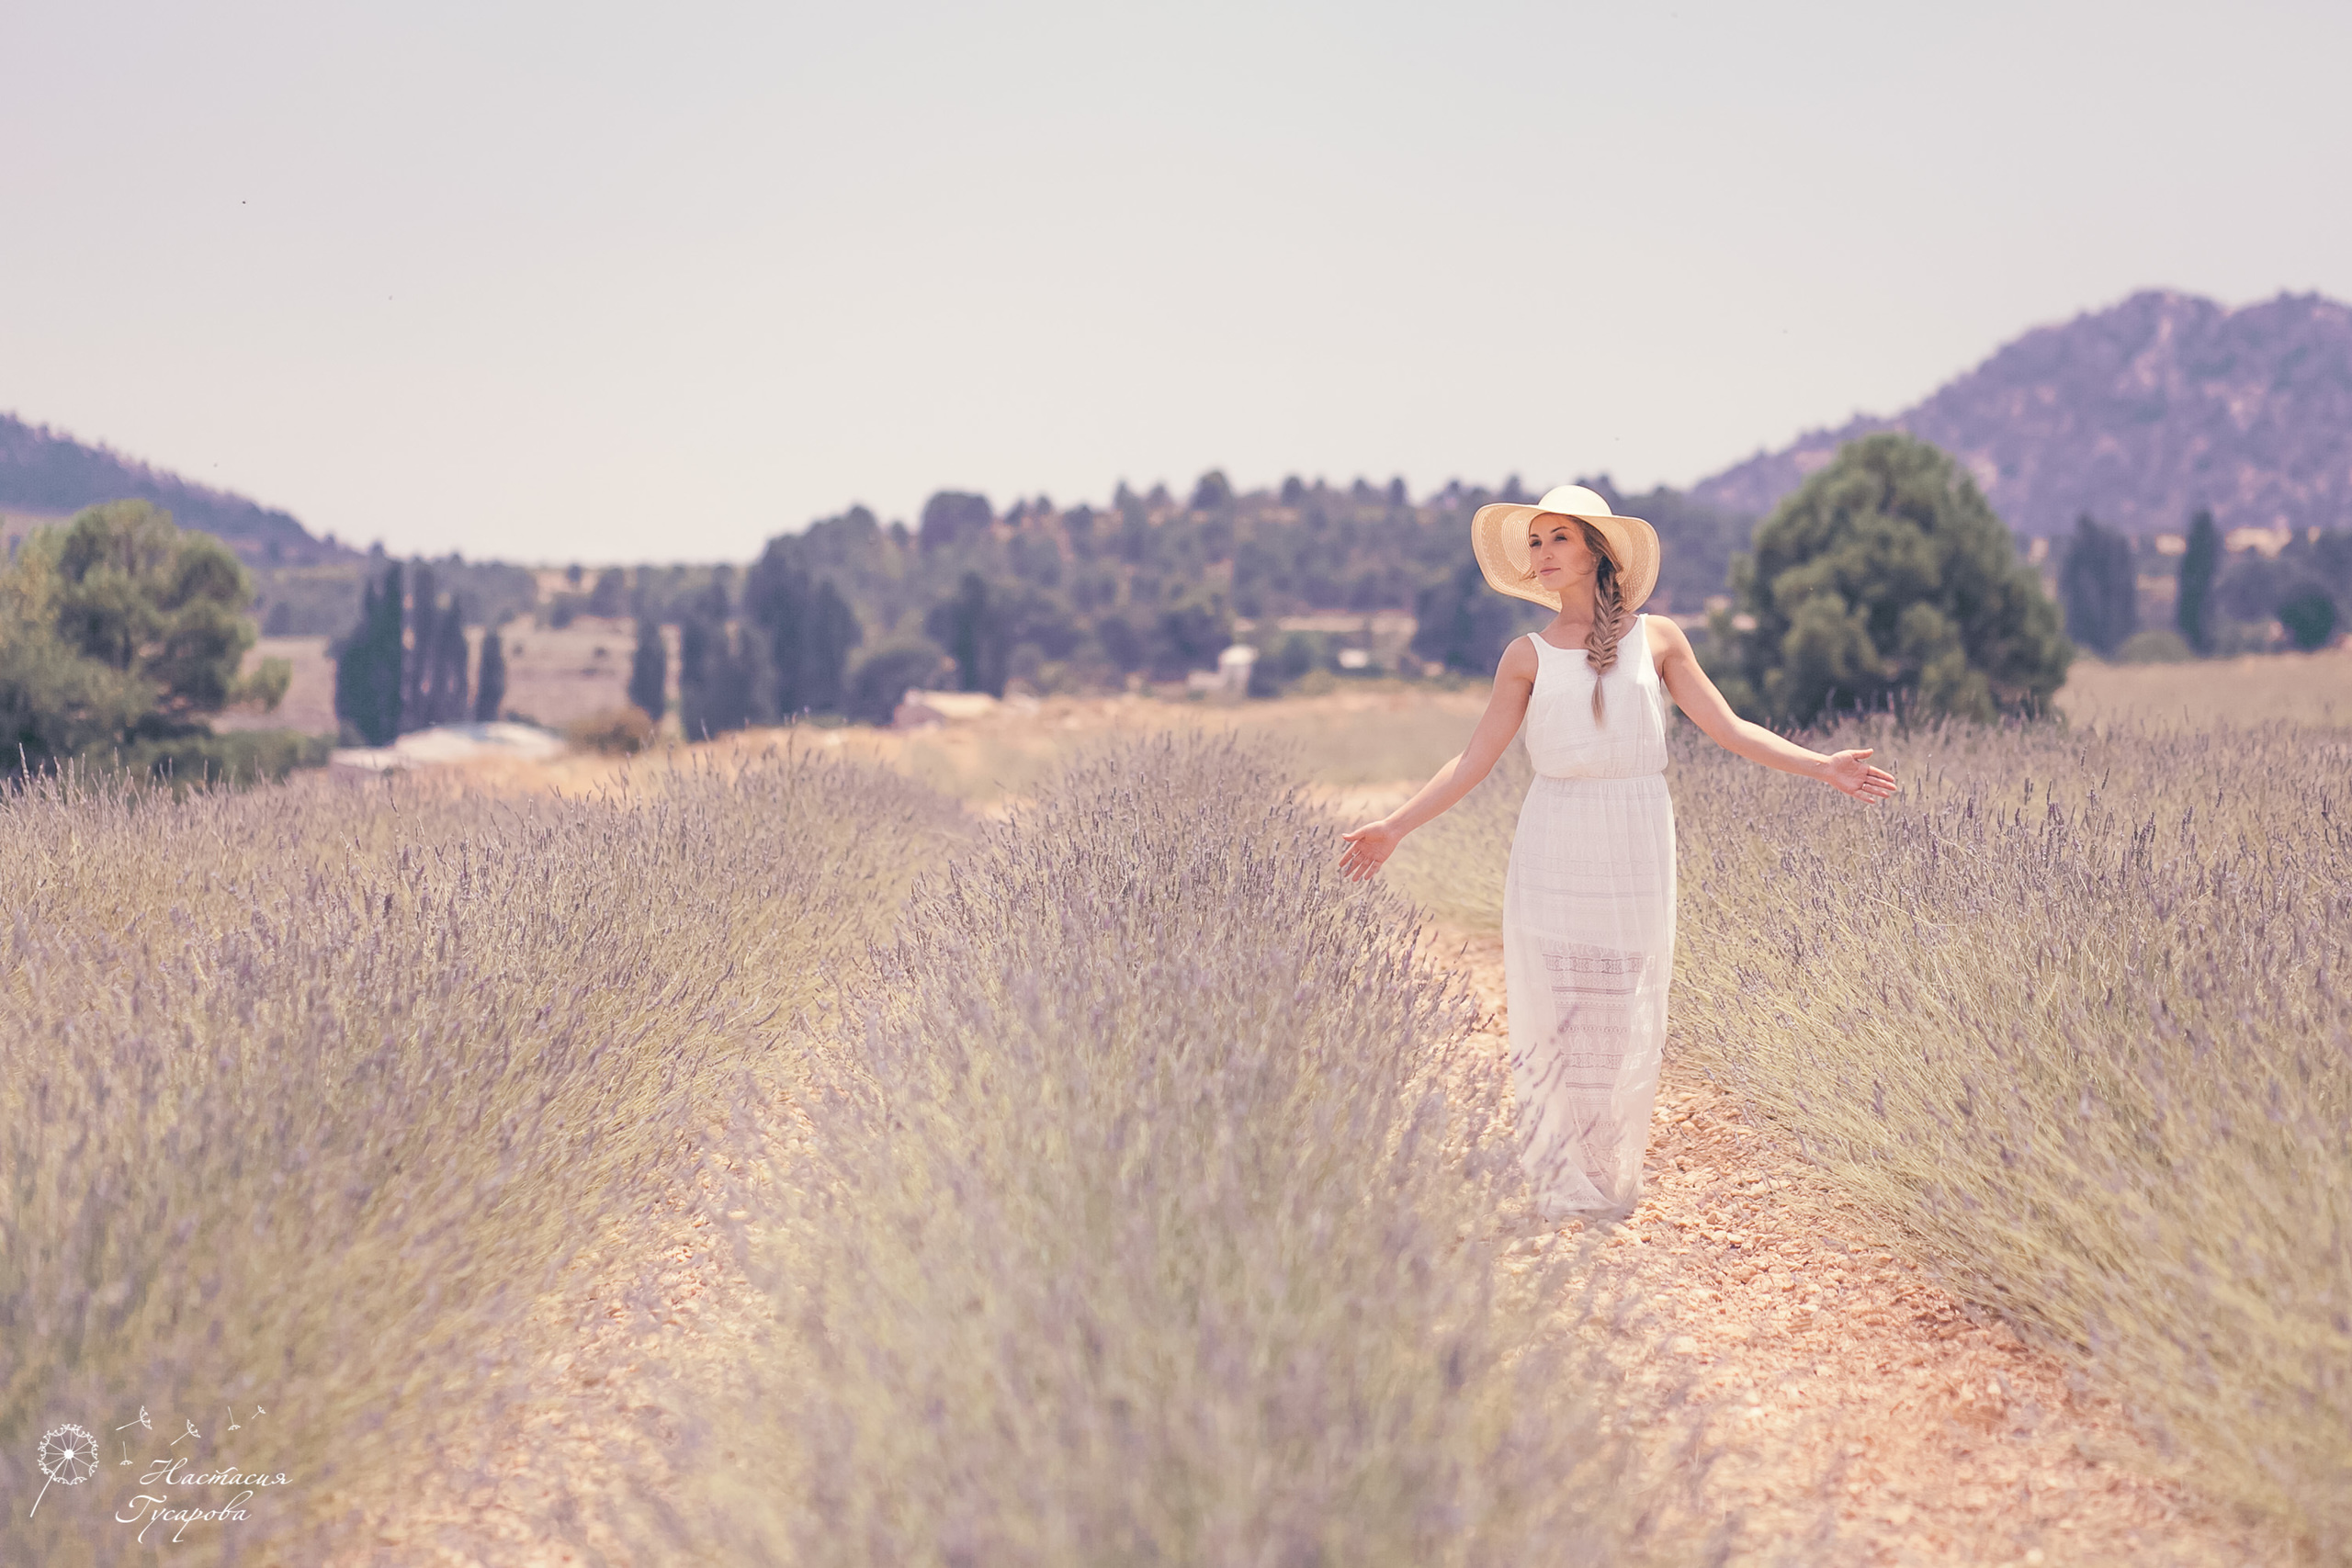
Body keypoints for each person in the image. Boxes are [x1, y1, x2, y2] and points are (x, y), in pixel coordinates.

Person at [1339, 485, 1895, 1220]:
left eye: (1558, 538)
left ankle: (1604, 1163)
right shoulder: (1524, 655)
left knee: (1623, 1006)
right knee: (1558, 1002)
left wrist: (1821, 765)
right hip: (1556, 833)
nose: (1542, 555)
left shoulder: (1659, 638)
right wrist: (1396, 825)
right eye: (1535, 542)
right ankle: (1559, 1171)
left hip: (1636, 830)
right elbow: (1473, 760)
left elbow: (1727, 727)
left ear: (1598, 550)